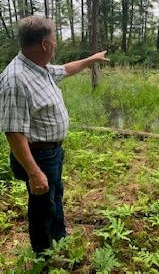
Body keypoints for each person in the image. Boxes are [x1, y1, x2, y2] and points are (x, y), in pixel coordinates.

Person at [0, 16, 108, 254]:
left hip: (52, 152)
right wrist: (34, 172)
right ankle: (43, 254)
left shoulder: (40, 68)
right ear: (45, 45)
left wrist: (91, 60)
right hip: (37, 156)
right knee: (42, 206)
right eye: (54, 39)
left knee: (55, 196)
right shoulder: (15, 80)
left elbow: (66, 69)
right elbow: (14, 133)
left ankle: (58, 239)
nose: (56, 43)